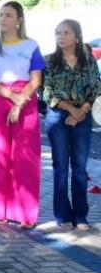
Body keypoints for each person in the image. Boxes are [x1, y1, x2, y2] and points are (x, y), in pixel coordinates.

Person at [0, 1, 44, 229]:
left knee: (25, 158)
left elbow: (36, 79)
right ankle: (1, 210)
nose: (3, 19)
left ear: (19, 19)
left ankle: (26, 213)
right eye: (1, 15)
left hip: (26, 101)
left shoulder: (31, 45)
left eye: (8, 15)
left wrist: (19, 101)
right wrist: (10, 97)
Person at [43, 19, 100, 231]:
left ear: (76, 36)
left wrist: (81, 112)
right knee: (61, 168)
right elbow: (48, 92)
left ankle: (81, 215)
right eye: (58, 33)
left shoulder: (88, 61)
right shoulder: (49, 61)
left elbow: (96, 87)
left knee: (79, 168)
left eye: (66, 32)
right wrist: (71, 110)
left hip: (82, 119)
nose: (61, 36)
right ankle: (63, 214)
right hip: (58, 117)